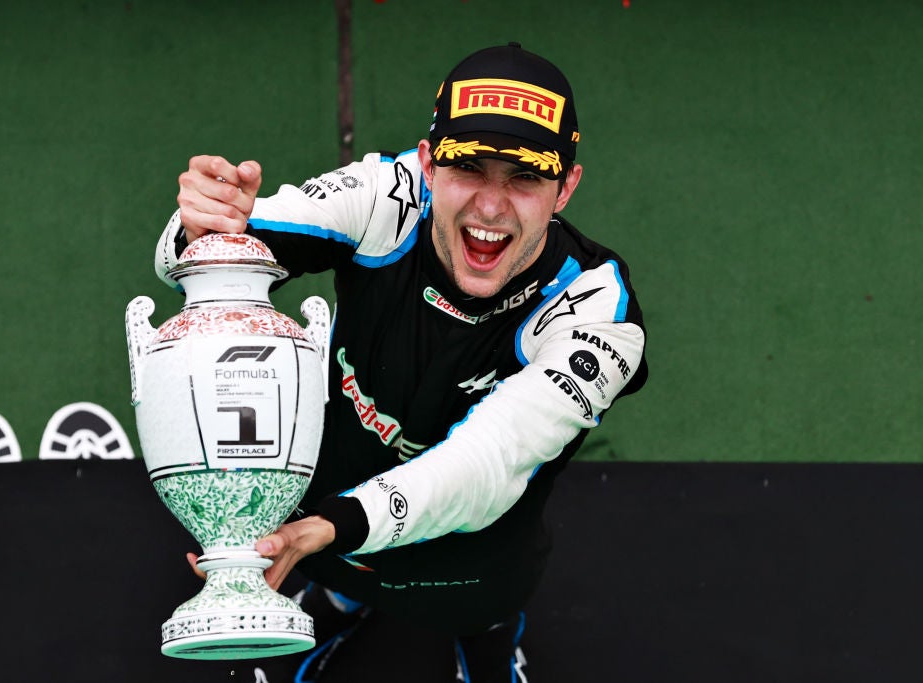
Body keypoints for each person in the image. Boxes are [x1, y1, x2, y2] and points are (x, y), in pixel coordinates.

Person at [156, 42, 648, 682]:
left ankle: (488, 635)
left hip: (464, 555)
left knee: (485, 612)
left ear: (566, 188)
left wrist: (331, 526)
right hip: (328, 522)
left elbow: (487, 464)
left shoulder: (597, 306)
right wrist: (202, 226)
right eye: (469, 167)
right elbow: (221, 240)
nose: (491, 206)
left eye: (525, 177)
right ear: (428, 164)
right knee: (338, 578)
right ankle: (341, 599)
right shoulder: (384, 197)